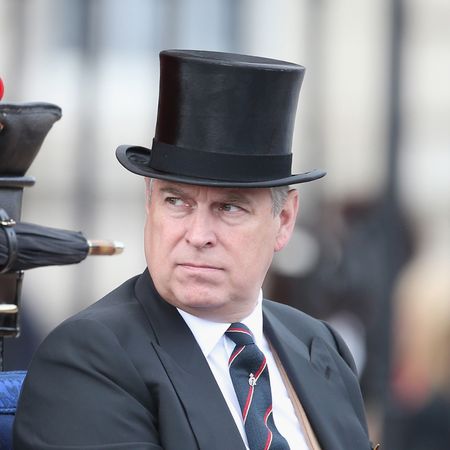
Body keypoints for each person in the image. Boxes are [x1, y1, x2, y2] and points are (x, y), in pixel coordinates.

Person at [14, 50, 375, 450]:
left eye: (229, 207)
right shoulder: (89, 358)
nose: (198, 234)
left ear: (284, 220)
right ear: (149, 203)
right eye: (177, 202)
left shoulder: (318, 345)